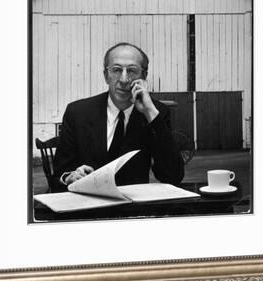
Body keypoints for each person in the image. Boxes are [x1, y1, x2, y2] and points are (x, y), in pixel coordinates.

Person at [51, 42, 184, 191]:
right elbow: (58, 176)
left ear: (144, 76)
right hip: (88, 203)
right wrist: (70, 177)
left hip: (133, 206)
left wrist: (150, 113)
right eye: (116, 70)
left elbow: (173, 175)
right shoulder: (77, 112)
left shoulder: (156, 111)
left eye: (132, 71)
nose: (124, 79)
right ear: (106, 76)